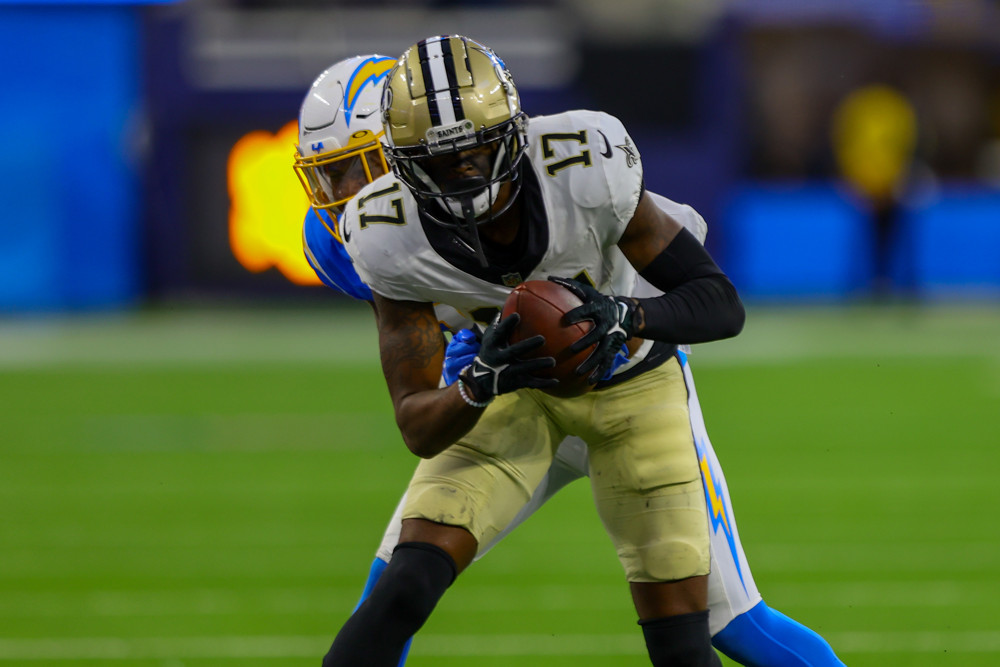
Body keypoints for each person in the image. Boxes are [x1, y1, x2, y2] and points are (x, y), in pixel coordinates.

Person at [297, 52, 845, 667]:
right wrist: (479, 377)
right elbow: (418, 404)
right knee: (397, 591)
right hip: (513, 388)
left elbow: (714, 299)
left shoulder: (581, 165)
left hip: (631, 383)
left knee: (726, 622)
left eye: (353, 170)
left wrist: (622, 315)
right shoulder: (366, 234)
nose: (345, 194)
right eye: (334, 176)